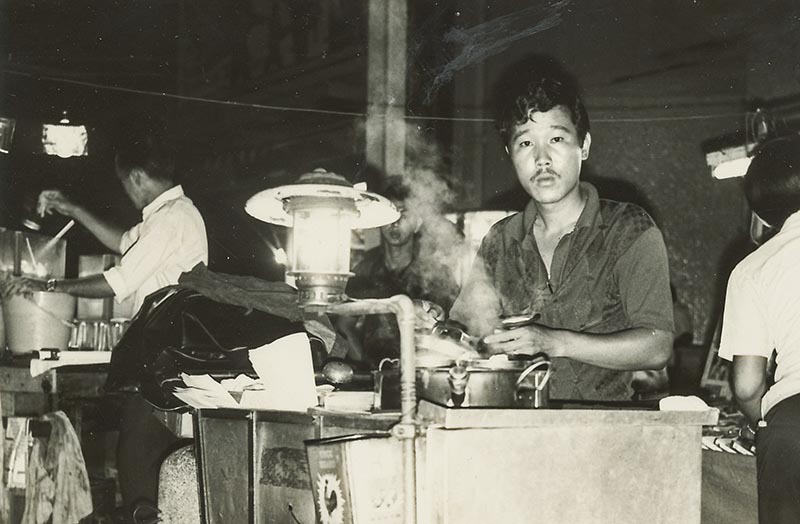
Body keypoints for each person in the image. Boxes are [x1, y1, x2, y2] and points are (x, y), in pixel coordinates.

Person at [6, 121, 208, 523]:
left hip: (167, 351)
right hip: (161, 351)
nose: (126, 192)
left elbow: (117, 280)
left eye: (125, 183)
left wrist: (47, 283)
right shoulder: (166, 215)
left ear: (136, 177)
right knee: (141, 457)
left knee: (136, 457)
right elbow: (122, 243)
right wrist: (73, 208)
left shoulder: (171, 220)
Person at [449, 62, 674, 401]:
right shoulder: (501, 240)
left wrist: (553, 342)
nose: (542, 159)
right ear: (510, 154)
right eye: (525, 144)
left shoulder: (628, 228)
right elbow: (468, 335)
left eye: (556, 138)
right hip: (515, 433)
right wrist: (436, 327)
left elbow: (657, 346)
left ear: (583, 146)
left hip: (603, 435)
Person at [717, 134, 800, 524]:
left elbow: (747, 386)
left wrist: (763, 424)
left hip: (792, 429)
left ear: (762, 213)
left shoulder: (751, 269)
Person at [336, 175, 460, 369]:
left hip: (425, 374)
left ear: (418, 223)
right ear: (379, 220)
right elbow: (344, 326)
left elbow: (456, 329)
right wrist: (366, 367)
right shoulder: (364, 270)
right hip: (376, 375)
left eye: (404, 213)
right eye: (391, 213)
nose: (395, 222)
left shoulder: (436, 272)